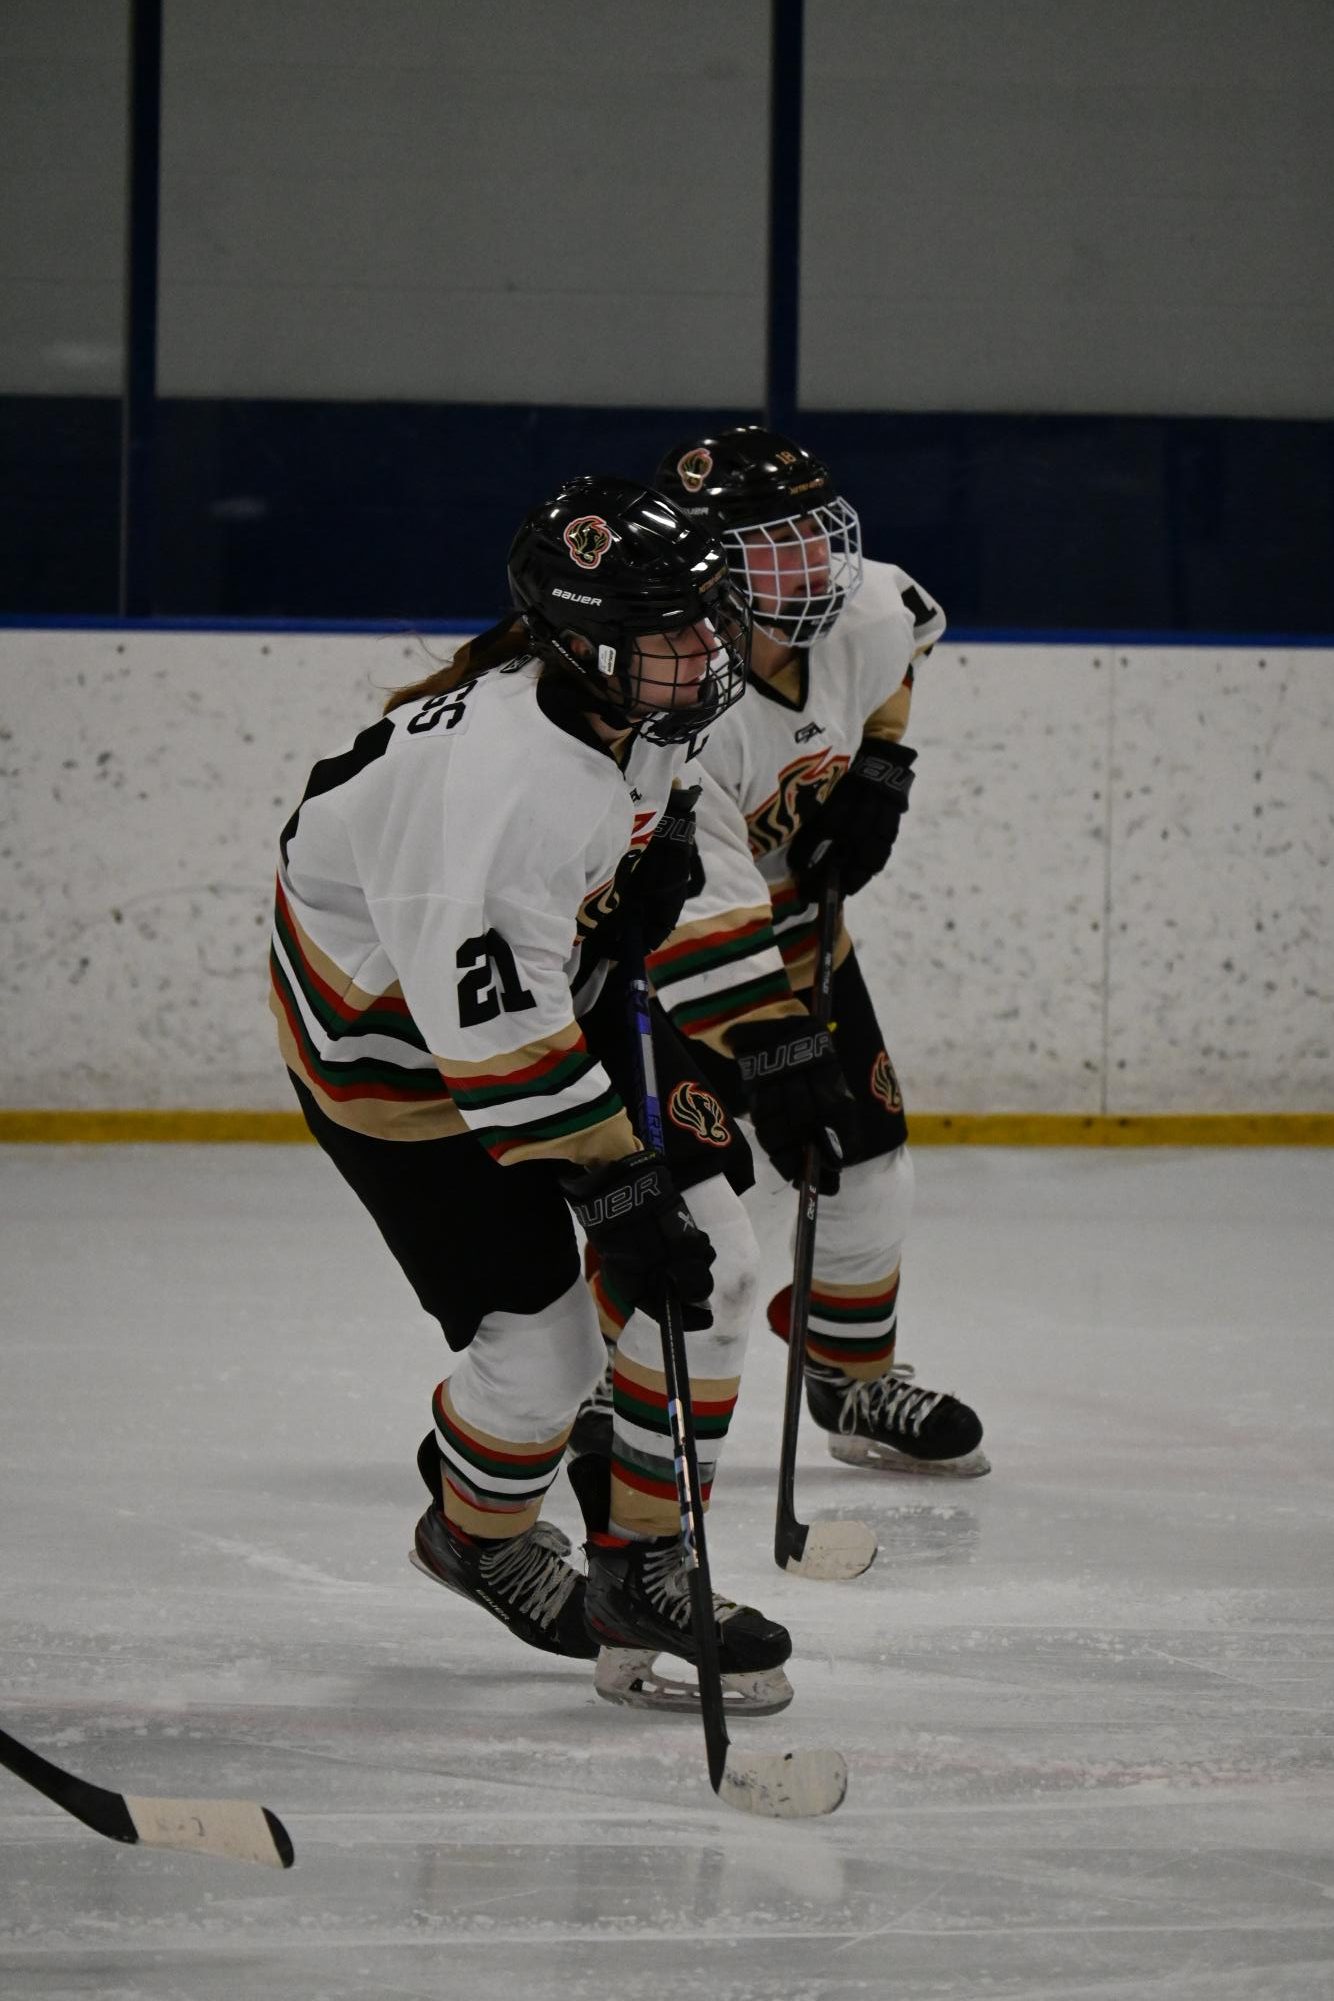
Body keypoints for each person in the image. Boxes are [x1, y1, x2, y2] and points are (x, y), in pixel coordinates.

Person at [269, 474, 793, 1710]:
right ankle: (480, 1537)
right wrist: (614, 1187)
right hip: (393, 1059)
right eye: (668, 631)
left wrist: (647, 863)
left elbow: (589, 896)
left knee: (713, 1268)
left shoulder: (626, 700)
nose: (702, 650)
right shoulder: (501, 791)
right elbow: (488, 1040)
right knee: (544, 1352)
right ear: (580, 642)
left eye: (704, 618)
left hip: (536, 1005)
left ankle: (645, 1560)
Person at [576, 428, 987, 1479]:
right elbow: (695, 914)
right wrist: (769, 1054)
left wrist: (882, 766)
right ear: (709, 568)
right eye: (776, 544)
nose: (811, 562)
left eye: (817, 532)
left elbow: (910, 633)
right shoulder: (672, 704)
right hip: (671, 973)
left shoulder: (862, 604)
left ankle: (850, 1386)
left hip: (801, 940)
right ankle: (597, 1387)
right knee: (690, 1209)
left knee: (873, 1174)